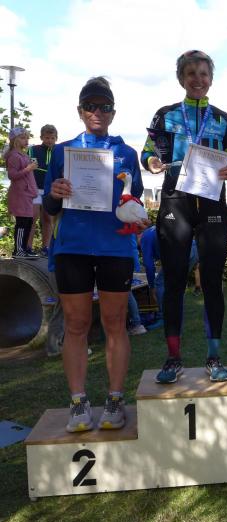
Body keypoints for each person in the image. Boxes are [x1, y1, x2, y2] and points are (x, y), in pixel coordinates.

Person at [43, 77, 147, 432]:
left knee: (115, 322)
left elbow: (134, 201)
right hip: (72, 248)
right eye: (90, 106)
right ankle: (78, 402)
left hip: (114, 248)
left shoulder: (126, 153)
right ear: (80, 110)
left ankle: (115, 399)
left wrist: (139, 219)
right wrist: (55, 193)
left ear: (113, 112)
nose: (97, 112)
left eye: (104, 106)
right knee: (76, 325)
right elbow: (49, 207)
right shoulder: (63, 152)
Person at [140, 50, 227, 384]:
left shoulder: (223, 119)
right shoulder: (165, 115)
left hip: (211, 204)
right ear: (181, 78)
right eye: (191, 73)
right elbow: (147, 152)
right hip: (176, 203)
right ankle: (173, 358)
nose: (198, 79)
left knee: (212, 281)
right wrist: (152, 162)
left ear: (211, 79)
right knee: (174, 281)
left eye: (203, 74)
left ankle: (214, 356)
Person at [4, 127, 39, 259]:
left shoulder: (23, 155)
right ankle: (18, 250)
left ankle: (24, 249)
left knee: (29, 221)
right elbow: (12, 175)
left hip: (27, 194)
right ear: (15, 140)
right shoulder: (13, 156)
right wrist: (28, 168)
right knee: (22, 222)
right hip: (20, 194)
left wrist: (30, 166)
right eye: (23, 138)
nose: (26, 140)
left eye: (27, 138)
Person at [28, 124, 58, 255]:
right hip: (34, 188)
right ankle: (28, 247)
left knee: (47, 219)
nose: (49, 140)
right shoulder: (33, 150)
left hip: (49, 190)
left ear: (56, 138)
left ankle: (46, 247)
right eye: (47, 138)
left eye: (52, 138)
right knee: (32, 218)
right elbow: (29, 168)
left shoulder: (58, 151)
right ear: (41, 137)